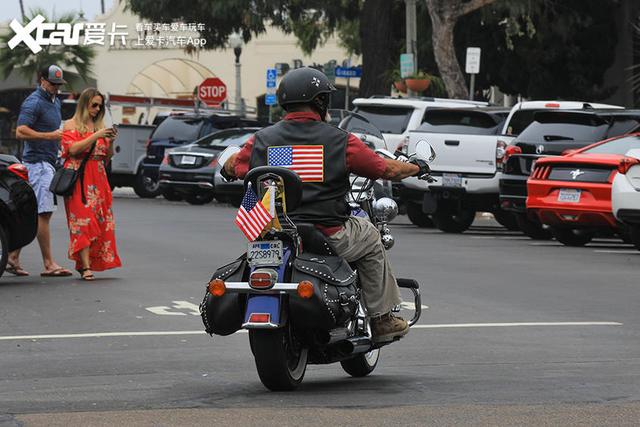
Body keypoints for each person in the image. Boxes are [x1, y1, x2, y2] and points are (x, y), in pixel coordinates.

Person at [222, 67, 430, 343]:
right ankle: (382, 319)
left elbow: (233, 166)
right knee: (369, 235)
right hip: (329, 232)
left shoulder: (262, 140)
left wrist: (228, 163)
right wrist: (416, 167)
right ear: (320, 102)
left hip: (274, 231)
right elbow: (386, 170)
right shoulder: (339, 141)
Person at [7, 65, 73, 277]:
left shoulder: (53, 101)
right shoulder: (34, 101)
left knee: (37, 213)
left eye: (58, 84)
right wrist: (49, 137)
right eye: (52, 83)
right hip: (37, 164)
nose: (56, 87)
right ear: (42, 80)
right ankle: (48, 264)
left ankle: (13, 256)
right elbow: (20, 131)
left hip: (47, 163)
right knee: (42, 213)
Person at [60, 88, 122, 280]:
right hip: (79, 179)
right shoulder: (71, 125)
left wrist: (110, 142)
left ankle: (86, 263)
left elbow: (107, 157)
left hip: (99, 179)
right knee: (82, 223)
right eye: (93, 105)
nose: (96, 109)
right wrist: (97, 134)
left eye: (99, 106)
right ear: (84, 104)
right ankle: (85, 266)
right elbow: (73, 149)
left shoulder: (100, 126)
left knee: (99, 222)